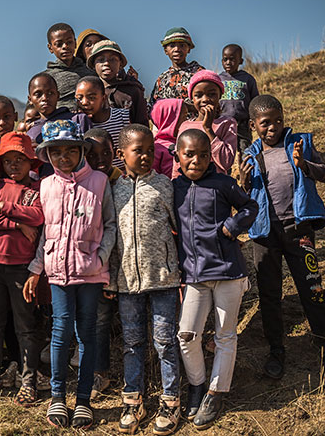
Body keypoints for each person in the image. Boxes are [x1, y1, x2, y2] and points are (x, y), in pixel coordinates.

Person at [24, 119, 116, 429]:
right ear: (47, 156)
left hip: (91, 272)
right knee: (61, 333)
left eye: (70, 151)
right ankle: (57, 396)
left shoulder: (100, 182)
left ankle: (84, 400)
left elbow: (110, 225)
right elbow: (46, 233)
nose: (63, 158)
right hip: (58, 273)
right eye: (56, 152)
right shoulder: (47, 185)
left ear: (82, 151)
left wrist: (100, 257)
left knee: (86, 334)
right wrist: (37, 270)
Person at [240, 94, 325, 380]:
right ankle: (276, 349)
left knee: (312, 287)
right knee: (269, 295)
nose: (273, 128)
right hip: (264, 234)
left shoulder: (300, 143)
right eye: (265, 123)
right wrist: (242, 183)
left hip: (298, 229)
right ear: (253, 125)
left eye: (278, 121)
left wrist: (304, 164)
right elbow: (243, 198)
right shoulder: (250, 155)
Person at [173, 129, 258, 430]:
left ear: (211, 157)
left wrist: (232, 226)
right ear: (178, 156)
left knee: (225, 335)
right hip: (195, 276)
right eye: (189, 154)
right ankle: (196, 385)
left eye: (203, 154)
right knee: (186, 336)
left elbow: (251, 206)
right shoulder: (175, 188)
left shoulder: (223, 183)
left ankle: (215, 392)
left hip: (228, 273)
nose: (196, 160)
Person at [107, 124, 181, 435]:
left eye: (150, 150)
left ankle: (171, 399)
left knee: (165, 341)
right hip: (126, 283)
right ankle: (133, 398)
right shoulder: (113, 190)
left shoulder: (165, 185)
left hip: (163, 278)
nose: (146, 155)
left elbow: (181, 229)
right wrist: (111, 280)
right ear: (121, 154)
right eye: (138, 150)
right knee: (133, 342)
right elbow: (110, 235)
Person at [0, 132, 44, 405]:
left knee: (26, 326)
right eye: (8, 160)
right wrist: (16, 224)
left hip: (22, 269)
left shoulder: (35, 190)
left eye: (20, 159)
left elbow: (39, 215)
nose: (14, 165)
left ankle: (28, 380)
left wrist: (8, 208)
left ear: (30, 162)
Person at [83, 127, 120, 397]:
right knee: (100, 318)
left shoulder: (124, 181)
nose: (100, 160)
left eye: (105, 153)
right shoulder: (84, 185)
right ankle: (100, 373)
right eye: (92, 156)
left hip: (127, 260)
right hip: (99, 263)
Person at [171, 70, 237, 178]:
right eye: (198, 95)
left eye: (212, 94)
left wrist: (208, 129)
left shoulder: (227, 123)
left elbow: (226, 162)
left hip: (215, 188)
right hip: (189, 188)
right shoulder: (185, 126)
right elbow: (178, 164)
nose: (205, 99)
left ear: (220, 95)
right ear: (192, 98)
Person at [86, 40, 148, 125]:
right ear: (93, 65)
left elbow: (142, 125)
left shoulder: (133, 91)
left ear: (121, 64)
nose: (107, 63)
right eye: (101, 59)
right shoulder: (89, 92)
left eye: (113, 59)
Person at [74, 76, 129, 169]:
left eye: (91, 98)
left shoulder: (123, 117)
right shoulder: (78, 124)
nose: (84, 102)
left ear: (103, 98)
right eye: (79, 98)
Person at [219, 44, 259, 164]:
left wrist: (254, 120)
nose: (228, 62)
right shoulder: (218, 79)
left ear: (240, 61)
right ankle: (226, 178)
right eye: (225, 59)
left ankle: (247, 178)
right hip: (224, 124)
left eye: (232, 59)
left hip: (242, 124)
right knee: (225, 153)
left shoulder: (248, 79)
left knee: (245, 152)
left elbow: (254, 101)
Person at [148, 27, 204, 114]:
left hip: (195, 125)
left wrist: (186, 107)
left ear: (188, 49)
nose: (177, 49)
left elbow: (208, 102)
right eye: (172, 46)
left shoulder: (199, 74)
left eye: (182, 45)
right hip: (168, 126)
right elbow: (153, 108)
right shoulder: (162, 79)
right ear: (166, 50)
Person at [26, 72, 92, 144]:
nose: (45, 98)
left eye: (50, 93)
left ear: (58, 96)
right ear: (30, 99)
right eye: (38, 94)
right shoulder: (31, 134)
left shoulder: (78, 119)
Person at [41, 23, 94, 110]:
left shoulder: (90, 72)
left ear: (75, 43)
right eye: (59, 44)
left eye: (69, 42)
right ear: (50, 48)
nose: (65, 46)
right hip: (58, 121)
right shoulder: (45, 78)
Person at [151, 99, 186, 177]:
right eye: (183, 117)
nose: (186, 121)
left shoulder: (186, 141)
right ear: (169, 120)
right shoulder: (157, 147)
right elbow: (153, 174)